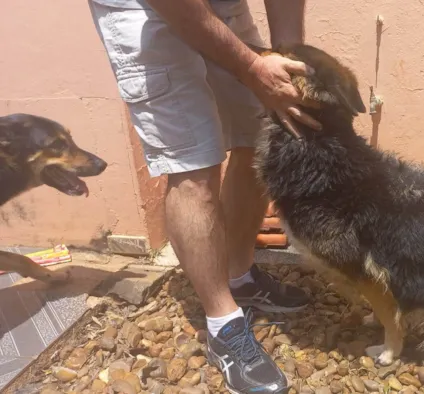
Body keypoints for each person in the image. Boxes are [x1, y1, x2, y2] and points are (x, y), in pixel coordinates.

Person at [87, 0, 320, 392]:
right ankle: (222, 322)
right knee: (192, 165)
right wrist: (250, 68)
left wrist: (287, 54)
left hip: (221, 6)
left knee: (263, 134)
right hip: (146, 12)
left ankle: (240, 275)